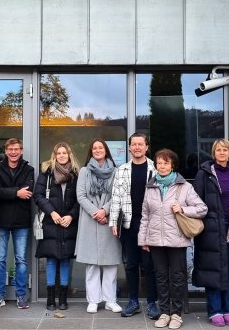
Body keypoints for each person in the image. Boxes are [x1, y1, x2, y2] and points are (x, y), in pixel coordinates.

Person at [138, 148, 207, 330]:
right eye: (159, 163)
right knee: (160, 277)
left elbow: (202, 208)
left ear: (172, 165)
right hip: (155, 240)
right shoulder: (150, 186)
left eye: (166, 163)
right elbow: (145, 215)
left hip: (177, 240)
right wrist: (143, 239)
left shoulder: (184, 187)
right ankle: (164, 312)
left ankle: (176, 314)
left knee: (177, 277)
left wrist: (183, 209)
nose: (162, 166)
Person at [193, 139, 229, 327]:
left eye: (225, 150)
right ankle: (215, 310)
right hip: (212, 231)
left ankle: (227, 309)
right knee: (214, 271)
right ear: (213, 153)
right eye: (218, 150)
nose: (222, 153)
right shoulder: (205, 173)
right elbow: (197, 202)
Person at [109, 133, 160, 319]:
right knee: (130, 264)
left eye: (141, 144)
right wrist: (114, 221)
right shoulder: (121, 170)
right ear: (129, 148)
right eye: (134, 144)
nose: (137, 147)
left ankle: (152, 303)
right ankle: (133, 301)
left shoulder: (155, 169)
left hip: (150, 224)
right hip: (129, 223)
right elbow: (115, 198)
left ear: (147, 147)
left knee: (149, 265)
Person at [75, 139, 121, 314]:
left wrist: (105, 211)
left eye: (100, 147)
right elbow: (81, 196)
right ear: (91, 151)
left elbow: (117, 194)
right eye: (94, 148)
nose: (97, 150)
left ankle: (110, 300)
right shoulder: (84, 171)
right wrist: (96, 212)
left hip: (109, 220)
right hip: (90, 219)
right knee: (92, 264)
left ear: (106, 150)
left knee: (110, 263)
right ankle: (93, 300)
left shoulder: (116, 172)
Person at [0, 138, 35, 310]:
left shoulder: (29, 169)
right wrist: (17, 192)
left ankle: (21, 296)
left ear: (21, 150)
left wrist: (9, 192)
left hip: (21, 220)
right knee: (0, 259)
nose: (14, 152)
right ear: (6, 151)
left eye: (17, 149)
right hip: (1, 219)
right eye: (10, 149)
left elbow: (28, 192)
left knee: (21, 260)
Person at [34, 142, 80, 311]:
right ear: (54, 155)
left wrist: (71, 215)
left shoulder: (75, 175)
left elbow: (79, 200)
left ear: (69, 155)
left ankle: (63, 298)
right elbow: (38, 196)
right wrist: (51, 212)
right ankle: (50, 298)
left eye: (64, 153)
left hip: (68, 223)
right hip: (50, 222)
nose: (61, 155)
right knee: (51, 259)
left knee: (65, 260)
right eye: (58, 153)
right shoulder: (46, 174)